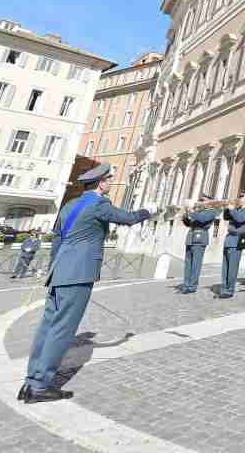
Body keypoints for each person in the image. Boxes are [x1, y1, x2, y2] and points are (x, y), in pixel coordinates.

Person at [21, 164, 151, 403]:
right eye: (109, 180)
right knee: (62, 330)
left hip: (60, 272)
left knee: (47, 327)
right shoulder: (99, 204)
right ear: (101, 183)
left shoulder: (69, 205)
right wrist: (147, 211)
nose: (110, 183)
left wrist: (55, 269)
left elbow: (58, 239)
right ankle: (40, 386)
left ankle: (30, 381)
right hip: (78, 274)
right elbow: (129, 219)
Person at [219, 195, 245, 298]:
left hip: (237, 239)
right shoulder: (237, 209)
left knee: (232, 267)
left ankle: (229, 290)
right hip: (229, 239)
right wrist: (226, 207)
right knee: (225, 266)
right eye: (239, 197)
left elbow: (239, 219)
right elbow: (226, 217)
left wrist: (232, 209)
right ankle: (224, 287)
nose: (239, 199)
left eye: (242, 197)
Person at [180, 204, 219, 294]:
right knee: (188, 264)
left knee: (196, 264)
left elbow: (202, 219)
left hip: (200, 238)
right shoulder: (197, 212)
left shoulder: (211, 211)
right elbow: (189, 224)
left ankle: (192, 286)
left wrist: (192, 212)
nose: (199, 203)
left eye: (202, 201)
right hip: (190, 237)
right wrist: (185, 217)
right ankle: (186, 284)